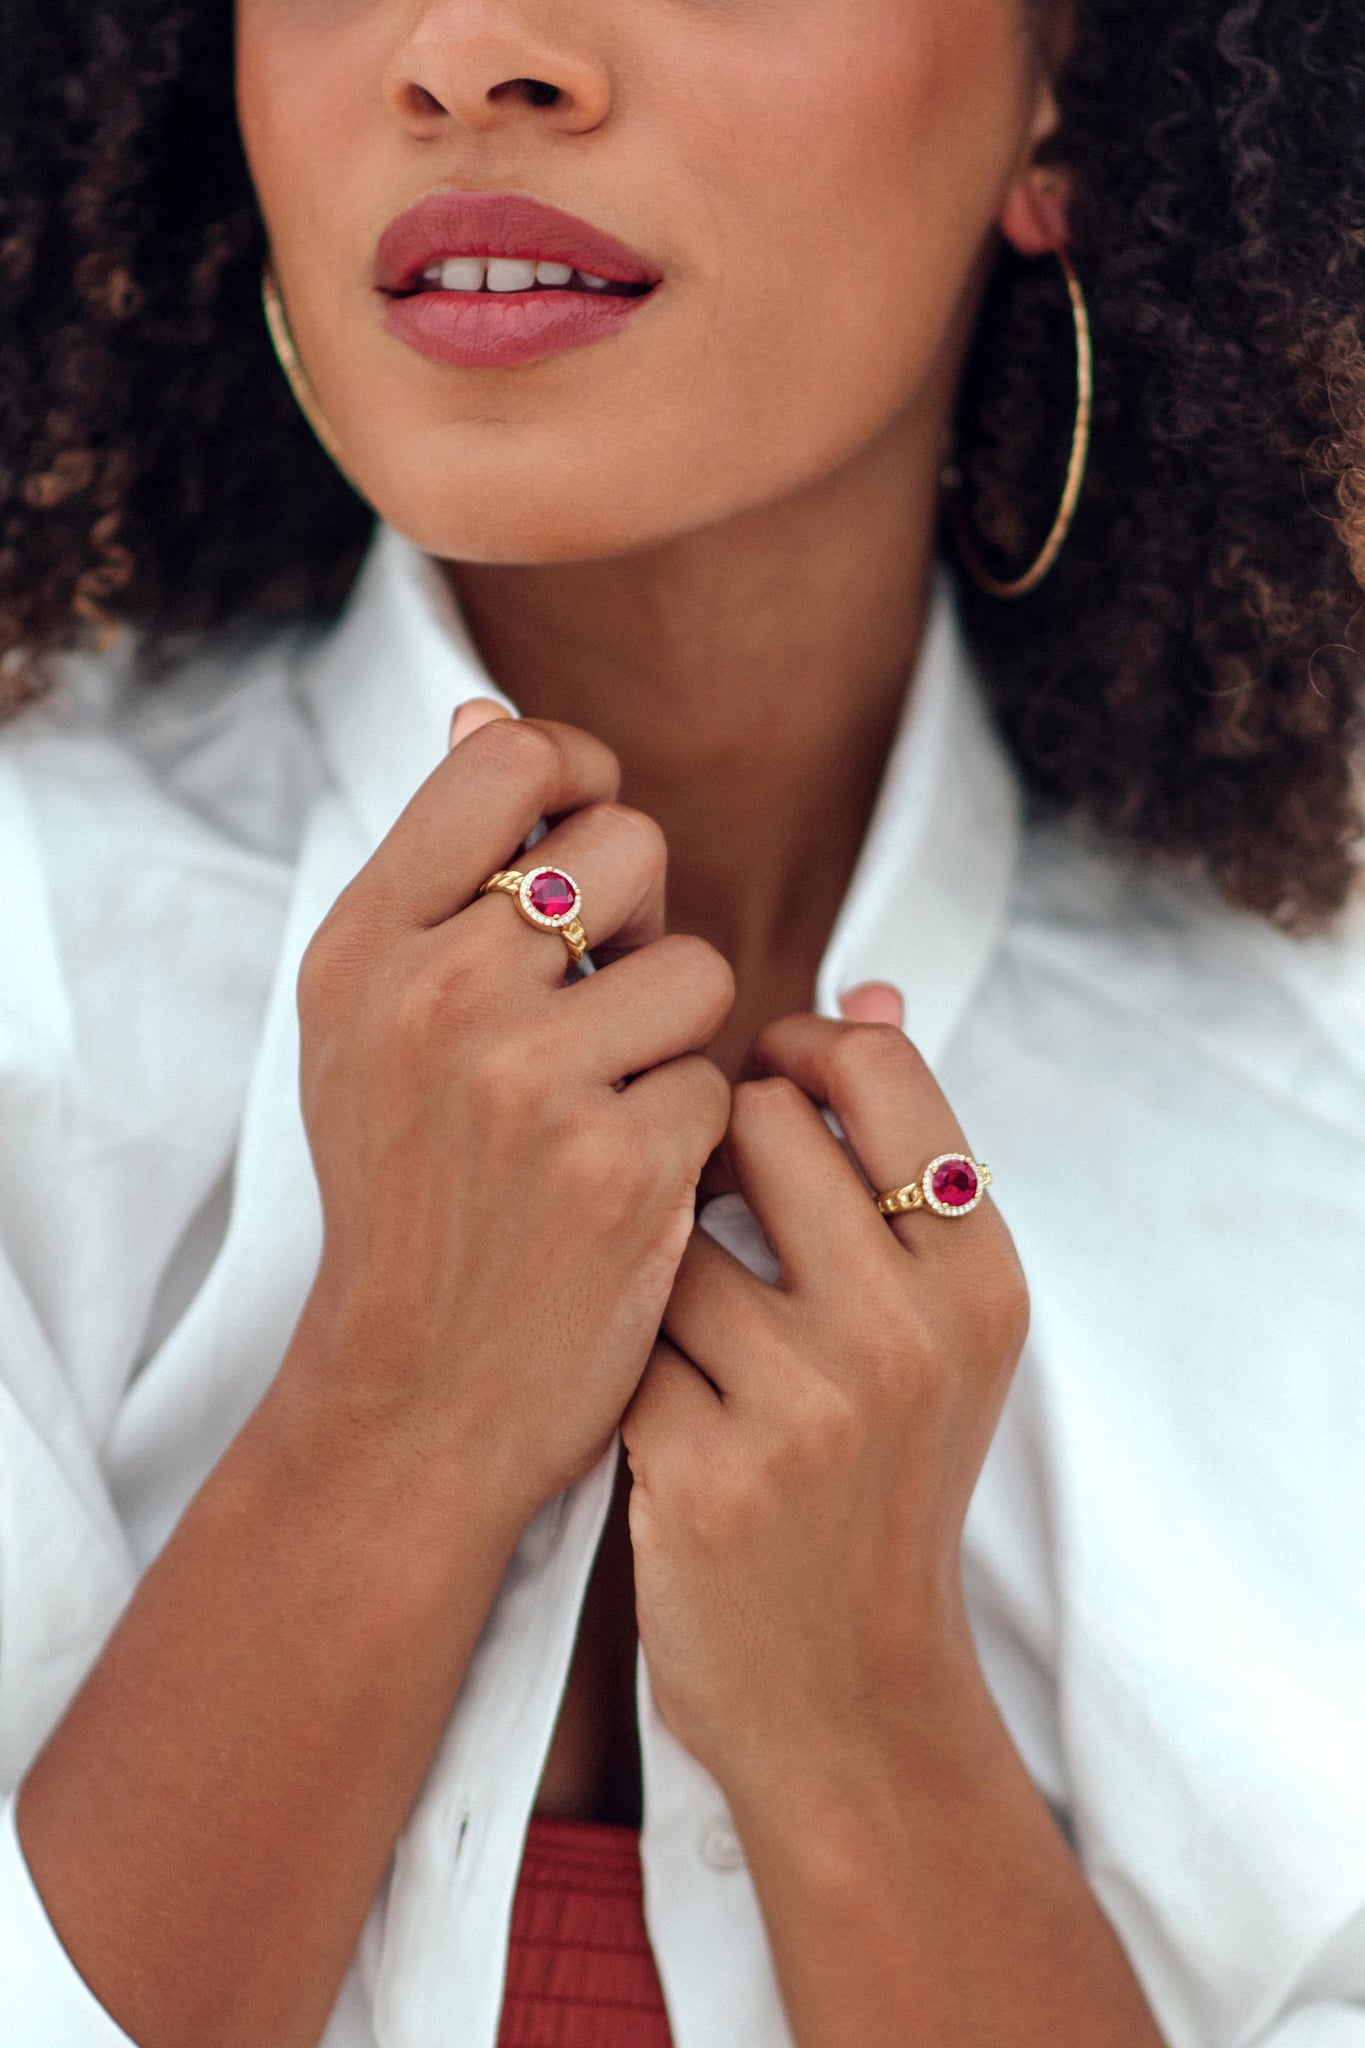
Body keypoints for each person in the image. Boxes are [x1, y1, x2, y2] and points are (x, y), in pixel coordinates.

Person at [1, 3, 1362, 2045]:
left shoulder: (1317, 1144)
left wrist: (871, 1734)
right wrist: (386, 1431)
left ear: (1065, 87)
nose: (472, 49)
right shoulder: (33, 981)